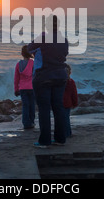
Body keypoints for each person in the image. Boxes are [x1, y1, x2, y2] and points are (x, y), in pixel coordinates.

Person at [28, 15, 69, 148]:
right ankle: (60, 139)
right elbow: (65, 54)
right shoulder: (64, 39)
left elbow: (29, 48)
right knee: (58, 108)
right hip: (61, 75)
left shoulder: (43, 37)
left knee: (44, 109)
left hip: (44, 76)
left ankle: (44, 141)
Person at [14, 45, 35, 129]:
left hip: (22, 88)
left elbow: (16, 79)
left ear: (22, 54)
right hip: (32, 87)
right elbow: (35, 76)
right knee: (32, 105)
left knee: (25, 106)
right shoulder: (33, 63)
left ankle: (26, 123)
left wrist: (16, 89)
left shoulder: (18, 64)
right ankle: (31, 122)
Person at [63, 64, 78, 138]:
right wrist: (75, 103)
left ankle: (61, 133)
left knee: (59, 119)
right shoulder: (71, 82)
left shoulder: (58, 81)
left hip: (58, 102)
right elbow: (74, 94)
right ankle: (68, 133)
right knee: (66, 118)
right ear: (70, 72)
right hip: (67, 103)